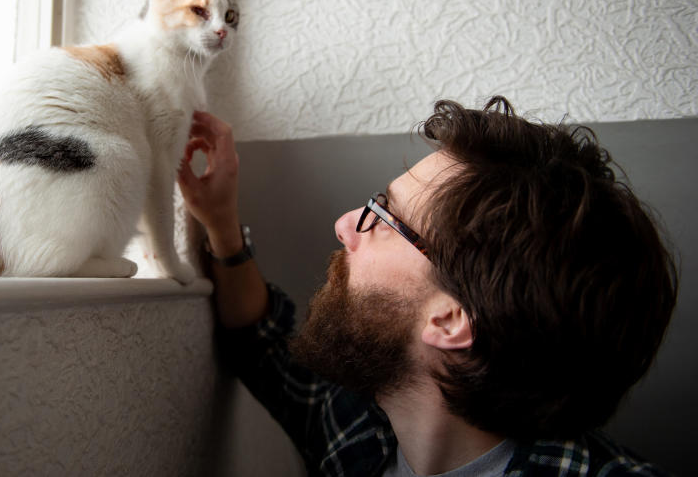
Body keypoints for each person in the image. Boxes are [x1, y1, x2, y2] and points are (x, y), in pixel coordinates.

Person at [177, 96, 678, 477]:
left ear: (451, 318)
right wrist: (220, 223)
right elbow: (264, 342)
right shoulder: (362, 431)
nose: (345, 224)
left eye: (383, 217)